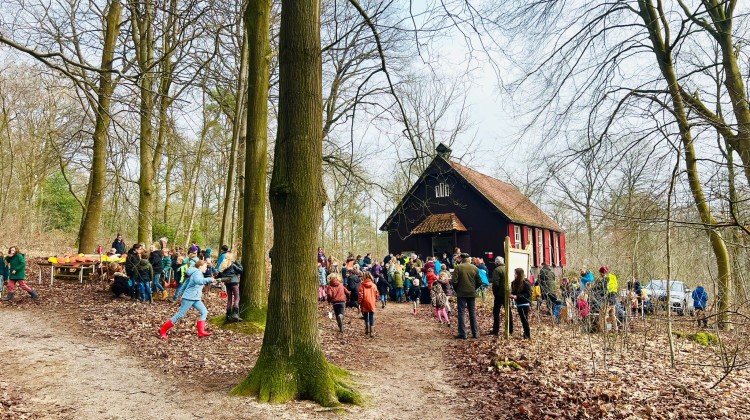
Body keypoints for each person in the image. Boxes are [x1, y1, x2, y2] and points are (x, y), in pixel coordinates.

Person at [159, 260, 215, 339]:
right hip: (189, 298)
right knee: (180, 315)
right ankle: (163, 330)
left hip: (195, 298)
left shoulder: (194, 273)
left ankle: (201, 332)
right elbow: (198, 281)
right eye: (205, 266)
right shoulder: (197, 272)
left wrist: (181, 292)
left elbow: (186, 283)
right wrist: (209, 279)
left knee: (204, 312)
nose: (206, 268)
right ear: (200, 266)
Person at [451, 253, 481, 339]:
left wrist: (457, 290)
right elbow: (479, 281)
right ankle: (475, 333)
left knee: (461, 313)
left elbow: (454, 281)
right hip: (471, 293)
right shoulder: (474, 268)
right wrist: (473, 288)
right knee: (472, 312)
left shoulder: (458, 267)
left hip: (461, 293)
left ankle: (463, 333)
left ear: (461, 259)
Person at [218, 252, 244, 323]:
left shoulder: (223, 265)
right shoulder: (232, 265)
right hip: (234, 283)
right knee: (237, 298)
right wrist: (237, 262)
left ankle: (228, 316)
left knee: (229, 299)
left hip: (227, 283)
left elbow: (220, 274)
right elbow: (241, 270)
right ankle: (235, 314)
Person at [510, 267, 532, 339]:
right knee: (523, 319)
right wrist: (511, 295)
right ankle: (525, 334)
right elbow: (513, 292)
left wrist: (517, 296)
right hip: (518, 303)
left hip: (524, 303)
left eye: (515, 273)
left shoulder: (525, 283)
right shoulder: (514, 283)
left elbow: (528, 294)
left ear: (519, 274)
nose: (514, 275)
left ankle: (527, 335)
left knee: (524, 319)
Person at [490, 256, 510, 336]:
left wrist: (495, 293)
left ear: (496, 263)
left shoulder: (497, 270)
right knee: (508, 311)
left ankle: (496, 329)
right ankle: (510, 329)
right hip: (507, 293)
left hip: (499, 294)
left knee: (496, 312)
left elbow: (495, 283)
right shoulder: (507, 268)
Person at [359, 272, 379, 337]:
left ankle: (367, 329)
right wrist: (375, 300)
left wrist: (359, 302)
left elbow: (360, 295)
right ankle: (372, 332)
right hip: (372, 302)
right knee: (371, 316)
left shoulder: (362, 285)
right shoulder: (374, 285)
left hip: (364, 302)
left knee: (365, 316)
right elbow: (377, 294)